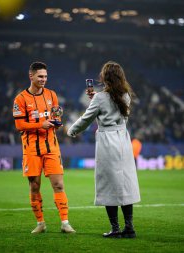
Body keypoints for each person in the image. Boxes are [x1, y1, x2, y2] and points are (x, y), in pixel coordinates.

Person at [67, 61, 141, 238]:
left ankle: (115, 229)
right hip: (123, 140)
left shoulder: (101, 97)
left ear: (105, 77)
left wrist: (72, 130)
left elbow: (87, 118)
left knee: (108, 184)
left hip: (108, 141)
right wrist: (96, 98)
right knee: (125, 183)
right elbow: (111, 106)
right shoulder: (126, 95)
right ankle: (129, 227)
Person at [12, 62, 75, 234]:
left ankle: (65, 222)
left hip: (52, 148)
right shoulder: (20, 99)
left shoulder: (52, 95)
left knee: (59, 185)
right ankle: (40, 223)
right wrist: (42, 124)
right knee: (34, 187)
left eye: (46, 76)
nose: (44, 79)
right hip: (31, 149)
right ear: (31, 76)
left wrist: (57, 121)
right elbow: (19, 125)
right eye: (40, 76)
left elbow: (56, 116)